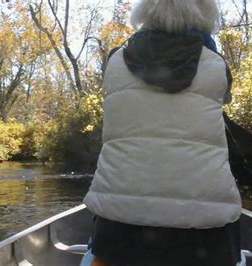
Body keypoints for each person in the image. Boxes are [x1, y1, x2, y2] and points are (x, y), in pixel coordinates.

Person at [83, 0, 242, 265]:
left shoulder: (115, 62)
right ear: (204, 13)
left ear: (145, 12)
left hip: (120, 224)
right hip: (205, 226)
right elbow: (222, 100)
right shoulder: (216, 65)